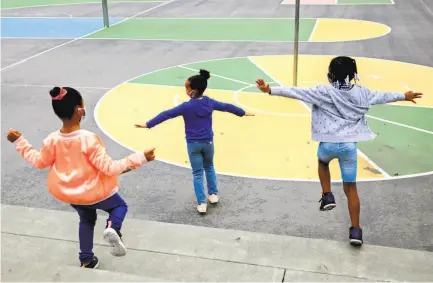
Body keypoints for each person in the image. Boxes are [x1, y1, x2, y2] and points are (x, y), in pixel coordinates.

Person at [256, 56, 423, 246]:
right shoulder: (362, 93)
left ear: (330, 74)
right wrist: (404, 96)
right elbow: (382, 96)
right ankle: (356, 230)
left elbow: (296, 92)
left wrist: (270, 90)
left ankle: (327, 194)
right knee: (351, 188)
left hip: (328, 144)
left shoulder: (323, 91)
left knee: (323, 163)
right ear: (353, 75)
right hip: (349, 147)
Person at [7, 87, 156, 268]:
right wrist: (140, 157)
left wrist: (20, 141)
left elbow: (39, 161)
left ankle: (86, 259)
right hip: (94, 192)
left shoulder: (52, 140)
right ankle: (112, 227)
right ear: (80, 111)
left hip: (71, 195)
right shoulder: (88, 139)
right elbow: (110, 168)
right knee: (119, 206)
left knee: (86, 219)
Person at [135, 69, 253, 214]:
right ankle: (213, 195)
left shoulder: (186, 106)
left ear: (193, 91)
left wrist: (149, 124)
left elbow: (167, 114)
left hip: (193, 145)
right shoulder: (210, 102)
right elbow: (227, 107)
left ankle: (202, 203)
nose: (185, 89)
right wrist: (242, 112)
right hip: (208, 143)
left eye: (187, 87)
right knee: (209, 167)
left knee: (197, 173)